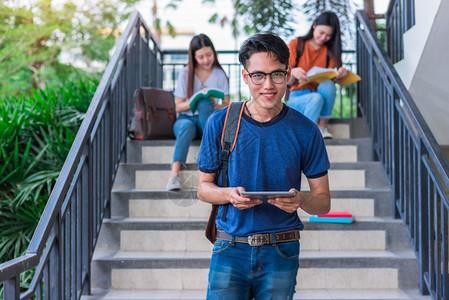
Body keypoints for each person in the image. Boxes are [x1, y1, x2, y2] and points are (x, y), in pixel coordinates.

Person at [197, 32, 331, 299]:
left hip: (282, 248)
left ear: (288, 74)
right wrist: (228, 195)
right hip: (229, 247)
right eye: (258, 75)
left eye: (277, 74)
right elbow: (203, 188)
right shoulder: (220, 123)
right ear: (246, 77)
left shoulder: (306, 130)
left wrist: (302, 199)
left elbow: (323, 202)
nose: (268, 85)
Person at [166, 34, 230, 191]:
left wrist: (214, 105)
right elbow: (178, 107)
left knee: (204, 102)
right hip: (185, 120)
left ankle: (212, 169)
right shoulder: (185, 73)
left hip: (206, 122)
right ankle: (174, 175)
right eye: (201, 57)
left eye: (209, 55)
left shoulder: (219, 74)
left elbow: (227, 104)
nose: (206, 60)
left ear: (214, 53)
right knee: (188, 125)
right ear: (193, 57)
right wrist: (194, 100)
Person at [287, 11, 349, 139]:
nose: (323, 37)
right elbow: (286, 82)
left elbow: (329, 79)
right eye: (321, 32)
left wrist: (338, 76)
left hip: (319, 96)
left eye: (328, 35)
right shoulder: (296, 44)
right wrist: (293, 71)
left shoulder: (329, 52)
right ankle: (307, 135)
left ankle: (322, 127)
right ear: (314, 25)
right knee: (316, 98)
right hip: (297, 97)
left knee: (328, 85)